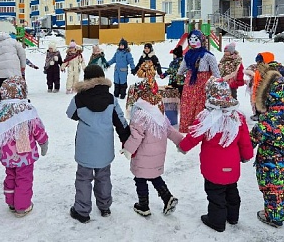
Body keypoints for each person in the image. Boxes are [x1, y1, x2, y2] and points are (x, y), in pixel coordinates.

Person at [178, 78, 253, 232]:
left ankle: (216, 221)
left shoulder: (207, 116)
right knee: (232, 191)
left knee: (215, 194)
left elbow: (194, 135)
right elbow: (245, 141)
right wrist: (246, 155)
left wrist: (183, 147)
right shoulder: (237, 117)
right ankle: (232, 217)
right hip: (232, 166)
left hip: (212, 167)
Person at [66, 64, 130, 223]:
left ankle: (81, 211)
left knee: (83, 178)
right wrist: (126, 138)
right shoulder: (110, 99)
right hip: (104, 147)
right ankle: (104, 206)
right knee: (104, 176)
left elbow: (71, 114)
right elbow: (120, 121)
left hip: (85, 148)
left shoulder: (79, 98)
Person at [121, 78, 183, 217]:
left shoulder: (140, 113)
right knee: (155, 176)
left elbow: (136, 136)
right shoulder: (159, 111)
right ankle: (167, 198)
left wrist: (128, 150)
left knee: (140, 179)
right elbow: (170, 130)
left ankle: (143, 206)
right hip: (158, 155)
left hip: (144, 155)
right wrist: (181, 142)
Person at [0, 76, 48, 217]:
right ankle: (22, 206)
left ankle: (11, 202)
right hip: (25, 156)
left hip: (7, 154)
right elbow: (37, 128)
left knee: (10, 176)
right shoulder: (27, 109)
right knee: (24, 179)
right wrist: (43, 142)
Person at [250, 65, 284, 228]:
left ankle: (274, 217)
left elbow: (255, 136)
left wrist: (245, 147)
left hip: (271, 162)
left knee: (273, 189)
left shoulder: (270, 118)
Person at [177, 30, 220, 133]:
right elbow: (183, 66)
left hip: (203, 82)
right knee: (188, 103)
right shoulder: (188, 54)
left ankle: (199, 128)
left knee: (200, 104)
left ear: (201, 40)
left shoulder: (208, 55)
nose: (192, 41)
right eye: (190, 39)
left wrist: (218, 81)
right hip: (190, 81)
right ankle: (187, 126)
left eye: (195, 39)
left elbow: (215, 71)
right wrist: (179, 73)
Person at [0, 32, 26, 112]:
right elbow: (22, 54)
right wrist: (22, 66)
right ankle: (17, 108)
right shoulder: (14, 42)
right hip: (13, 71)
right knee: (15, 89)